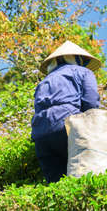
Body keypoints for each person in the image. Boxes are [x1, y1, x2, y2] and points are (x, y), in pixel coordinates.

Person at [31, 40, 101, 183]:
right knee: (82, 176)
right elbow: (91, 103)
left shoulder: (43, 82)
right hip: (67, 126)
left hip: (40, 133)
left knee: (56, 184)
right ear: (77, 58)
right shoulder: (83, 72)